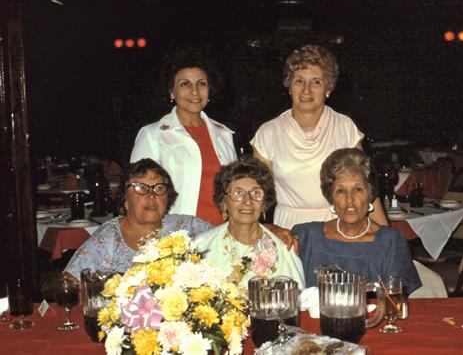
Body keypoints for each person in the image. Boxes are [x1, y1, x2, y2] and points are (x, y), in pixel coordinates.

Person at [251, 44, 388, 229]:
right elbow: (255, 199)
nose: (306, 90)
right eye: (299, 81)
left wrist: (386, 236)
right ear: (289, 86)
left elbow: (365, 189)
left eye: (316, 81)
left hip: (339, 225)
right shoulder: (267, 133)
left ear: (328, 88)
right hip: (289, 229)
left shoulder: (345, 127)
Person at [293, 148, 422, 295]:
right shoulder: (306, 236)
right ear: (331, 197)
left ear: (370, 193)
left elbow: (394, 304)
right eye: (340, 191)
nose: (349, 200)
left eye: (358, 189)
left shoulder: (390, 242)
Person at [130, 53, 237, 225]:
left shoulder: (224, 135)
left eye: (201, 84)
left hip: (223, 235)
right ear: (172, 92)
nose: (194, 91)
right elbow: (138, 195)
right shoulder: (153, 135)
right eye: (185, 84)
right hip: (177, 237)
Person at [64, 159, 212, 280]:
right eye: (141, 188)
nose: (151, 195)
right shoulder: (108, 238)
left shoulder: (188, 227)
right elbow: (69, 282)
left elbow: (228, 241)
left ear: (168, 198)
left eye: (159, 188)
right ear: (125, 200)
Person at [195, 157, 305, 289]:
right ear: (224, 203)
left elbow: (297, 301)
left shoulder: (283, 248)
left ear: (264, 204)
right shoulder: (201, 247)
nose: (248, 201)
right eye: (238, 193)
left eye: (256, 193)